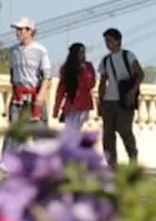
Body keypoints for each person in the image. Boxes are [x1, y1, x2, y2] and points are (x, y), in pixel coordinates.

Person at [5, 18, 53, 154]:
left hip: (34, 97)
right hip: (18, 98)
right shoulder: (13, 51)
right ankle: (7, 161)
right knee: (14, 131)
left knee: (39, 132)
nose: (18, 32)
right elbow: (12, 73)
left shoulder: (40, 50)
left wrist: (41, 95)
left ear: (30, 31)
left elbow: (47, 76)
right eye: (17, 29)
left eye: (21, 29)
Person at [98, 27, 143, 168]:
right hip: (109, 100)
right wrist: (101, 101)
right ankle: (112, 164)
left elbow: (140, 74)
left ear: (118, 41)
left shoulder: (128, 56)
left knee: (124, 129)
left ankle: (132, 157)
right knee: (108, 134)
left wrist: (132, 92)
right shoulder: (105, 60)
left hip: (124, 99)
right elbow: (102, 81)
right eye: (106, 41)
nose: (107, 44)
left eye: (110, 40)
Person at [54, 42, 96, 132]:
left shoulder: (88, 66)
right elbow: (61, 90)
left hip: (84, 105)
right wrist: (56, 108)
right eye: (80, 52)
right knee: (70, 131)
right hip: (70, 105)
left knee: (78, 130)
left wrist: (84, 70)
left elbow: (91, 84)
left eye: (83, 52)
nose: (83, 55)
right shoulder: (66, 69)